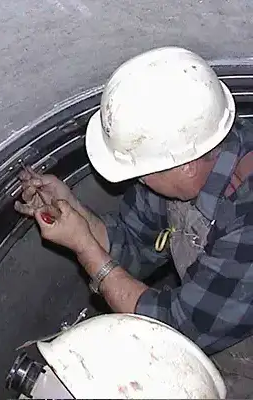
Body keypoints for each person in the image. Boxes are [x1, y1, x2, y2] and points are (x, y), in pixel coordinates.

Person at [14, 46, 253, 397]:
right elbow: (131, 242)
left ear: (184, 165)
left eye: (141, 171)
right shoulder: (181, 162)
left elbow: (176, 330)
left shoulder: (246, 216)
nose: (136, 180)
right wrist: (71, 210)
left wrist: (84, 248)